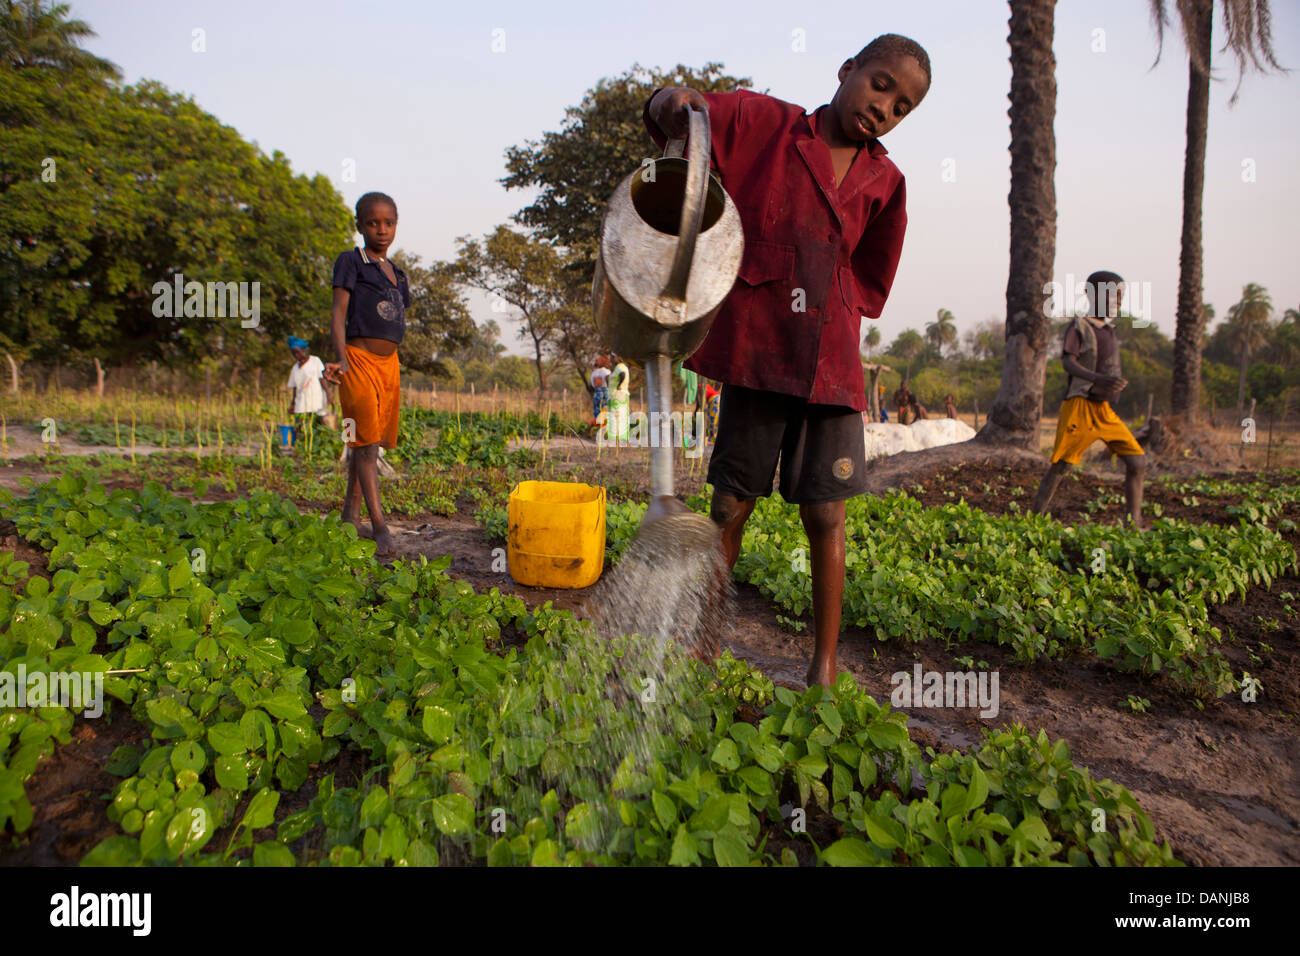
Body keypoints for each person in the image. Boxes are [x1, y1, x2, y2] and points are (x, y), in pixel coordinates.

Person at [645, 33, 930, 687]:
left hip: (830, 367)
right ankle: (704, 643)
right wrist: (671, 98)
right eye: (880, 84)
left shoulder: (886, 181)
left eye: (903, 106)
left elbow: (873, 276)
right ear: (848, 70)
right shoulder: (763, 124)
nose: (885, 107)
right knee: (727, 505)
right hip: (760, 350)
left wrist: (832, 302)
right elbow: (681, 113)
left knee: (827, 512)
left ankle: (824, 668)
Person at [324, 191, 410, 559]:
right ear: (359, 226)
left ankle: (349, 517)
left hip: (389, 366)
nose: (381, 230)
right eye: (372, 223)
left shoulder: (398, 275)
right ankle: (379, 527)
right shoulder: (351, 262)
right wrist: (340, 358)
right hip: (357, 361)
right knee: (363, 443)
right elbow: (338, 315)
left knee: (366, 442)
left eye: (388, 223)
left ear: (396, 225)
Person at [1031, 270, 1146, 526]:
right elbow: (1068, 363)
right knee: (1062, 466)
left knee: (1136, 461)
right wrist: (1098, 378)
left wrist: (1113, 383)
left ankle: (1134, 523)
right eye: (1113, 296)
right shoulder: (1079, 326)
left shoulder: (1109, 330)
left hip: (1104, 410)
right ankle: (1033, 519)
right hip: (1080, 407)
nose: (1117, 301)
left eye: (1120, 296)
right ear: (1092, 295)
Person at [285, 336, 328, 445]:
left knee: (317, 425)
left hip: (315, 400)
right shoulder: (295, 368)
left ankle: (316, 447)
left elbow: (322, 378)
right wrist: (292, 404)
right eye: (294, 353)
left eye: (298, 352)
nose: (296, 355)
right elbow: (295, 388)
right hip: (301, 402)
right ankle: (300, 446)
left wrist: (328, 395)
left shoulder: (315, 361)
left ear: (304, 350)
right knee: (299, 425)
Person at [590, 355, 612, 421]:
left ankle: (598, 428)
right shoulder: (607, 372)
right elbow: (609, 380)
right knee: (606, 413)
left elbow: (592, 384)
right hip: (605, 392)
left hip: (597, 393)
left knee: (597, 414)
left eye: (598, 359)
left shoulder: (594, 372)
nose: (596, 360)